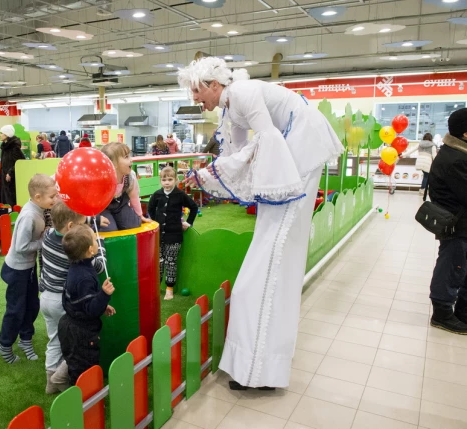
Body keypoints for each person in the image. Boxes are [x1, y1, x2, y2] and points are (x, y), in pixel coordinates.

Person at [179, 57, 344, 390]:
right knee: (271, 262)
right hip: (294, 155)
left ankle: (258, 368)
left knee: (271, 261)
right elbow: (237, 155)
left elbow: (266, 141)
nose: (196, 100)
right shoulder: (231, 105)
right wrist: (208, 174)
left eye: (197, 91)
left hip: (299, 153)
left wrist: (208, 174)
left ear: (214, 85)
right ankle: (258, 366)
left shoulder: (241, 93)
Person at [40, 200, 106, 394]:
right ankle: (60, 376)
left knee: (54, 340)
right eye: (82, 224)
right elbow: (99, 265)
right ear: (70, 227)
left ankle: (50, 381)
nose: (84, 227)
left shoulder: (48, 235)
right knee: (73, 346)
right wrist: (99, 246)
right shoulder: (72, 250)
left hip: (45, 297)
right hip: (63, 302)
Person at [0, 174, 58, 364]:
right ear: (38, 197)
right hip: (17, 270)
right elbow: (20, 247)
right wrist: (43, 241)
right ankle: (5, 345)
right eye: (52, 197)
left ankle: (25, 339)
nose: (55, 200)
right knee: (15, 309)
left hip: (29, 268)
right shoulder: (29, 215)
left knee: (32, 306)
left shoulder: (39, 208)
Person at [49, 224, 115, 392]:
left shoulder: (78, 268)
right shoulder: (84, 276)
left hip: (70, 323)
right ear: (90, 250)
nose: (97, 241)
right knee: (83, 366)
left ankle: (58, 378)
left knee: (75, 358)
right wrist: (104, 294)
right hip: (81, 332)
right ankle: (82, 399)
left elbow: (81, 301)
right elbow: (90, 309)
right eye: (95, 239)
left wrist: (101, 303)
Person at [426, 108, 467, 334]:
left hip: (460, 225)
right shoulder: (455, 159)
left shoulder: (458, 152)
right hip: (456, 225)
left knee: (460, 268)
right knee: (451, 268)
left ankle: (461, 311)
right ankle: (442, 314)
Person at [148, 167, 198, 300]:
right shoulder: (157, 195)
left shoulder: (180, 194)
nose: (167, 182)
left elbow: (193, 207)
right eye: (164, 180)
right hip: (159, 236)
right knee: (158, 262)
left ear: (176, 180)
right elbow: (150, 208)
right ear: (161, 181)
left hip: (174, 235)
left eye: (170, 179)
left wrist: (189, 223)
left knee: (171, 262)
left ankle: (169, 289)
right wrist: (154, 222)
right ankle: (156, 288)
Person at [99, 142, 150, 232]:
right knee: (109, 229)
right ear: (113, 164)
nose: (131, 160)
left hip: (120, 206)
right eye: (126, 157)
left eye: (129, 156)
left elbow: (134, 196)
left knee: (134, 224)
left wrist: (140, 215)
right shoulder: (102, 178)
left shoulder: (130, 176)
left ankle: (116, 218)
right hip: (103, 208)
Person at [0, 125, 25, 206]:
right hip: (4, 178)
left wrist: (10, 172)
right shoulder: (5, 147)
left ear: (6, 134)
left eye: (1, 133)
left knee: (11, 200)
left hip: (11, 180)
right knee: (5, 199)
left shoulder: (14, 147)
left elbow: (20, 161)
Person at [415, 133, 437, 199]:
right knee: (426, 176)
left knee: (426, 176)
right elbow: (434, 155)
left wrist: (403, 155)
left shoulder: (420, 144)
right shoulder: (432, 145)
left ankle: (423, 189)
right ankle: (423, 190)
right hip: (427, 162)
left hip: (420, 161)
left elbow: (412, 150)